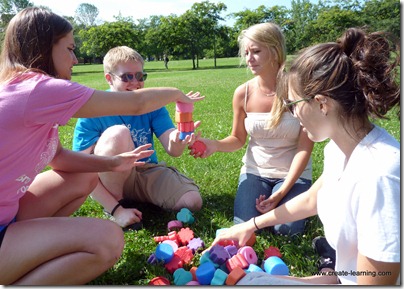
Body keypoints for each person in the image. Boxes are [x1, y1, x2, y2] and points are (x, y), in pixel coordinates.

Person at [0, 7, 204, 285]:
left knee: (80, 179)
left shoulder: (23, 88)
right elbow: (137, 103)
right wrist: (178, 95)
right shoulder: (39, 89)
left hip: (9, 214)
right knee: (109, 239)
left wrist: (111, 163)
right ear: (45, 47)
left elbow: (58, 158)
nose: (75, 59)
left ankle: (31, 250)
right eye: (69, 49)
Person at [211, 27, 400, 285]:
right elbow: (313, 198)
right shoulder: (338, 148)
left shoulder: (380, 174)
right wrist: (251, 225)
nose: (294, 114)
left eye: (293, 105)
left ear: (322, 104)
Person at [190, 22, 313, 236]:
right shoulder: (243, 93)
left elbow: (305, 148)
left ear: (275, 51)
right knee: (243, 227)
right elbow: (237, 139)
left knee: (287, 232)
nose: (249, 58)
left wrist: (282, 192)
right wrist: (215, 145)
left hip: (293, 175)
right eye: (247, 52)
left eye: (256, 51)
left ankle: (295, 200)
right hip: (256, 172)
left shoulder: (299, 89)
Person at [72, 46, 203, 229]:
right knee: (119, 133)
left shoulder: (152, 105)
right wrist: (115, 209)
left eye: (140, 76)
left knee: (192, 201)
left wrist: (178, 139)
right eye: (127, 77)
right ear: (109, 78)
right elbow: (80, 169)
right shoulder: (94, 110)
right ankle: (118, 204)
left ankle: (137, 198)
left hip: (145, 170)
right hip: (111, 177)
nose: (136, 82)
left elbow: (173, 150)